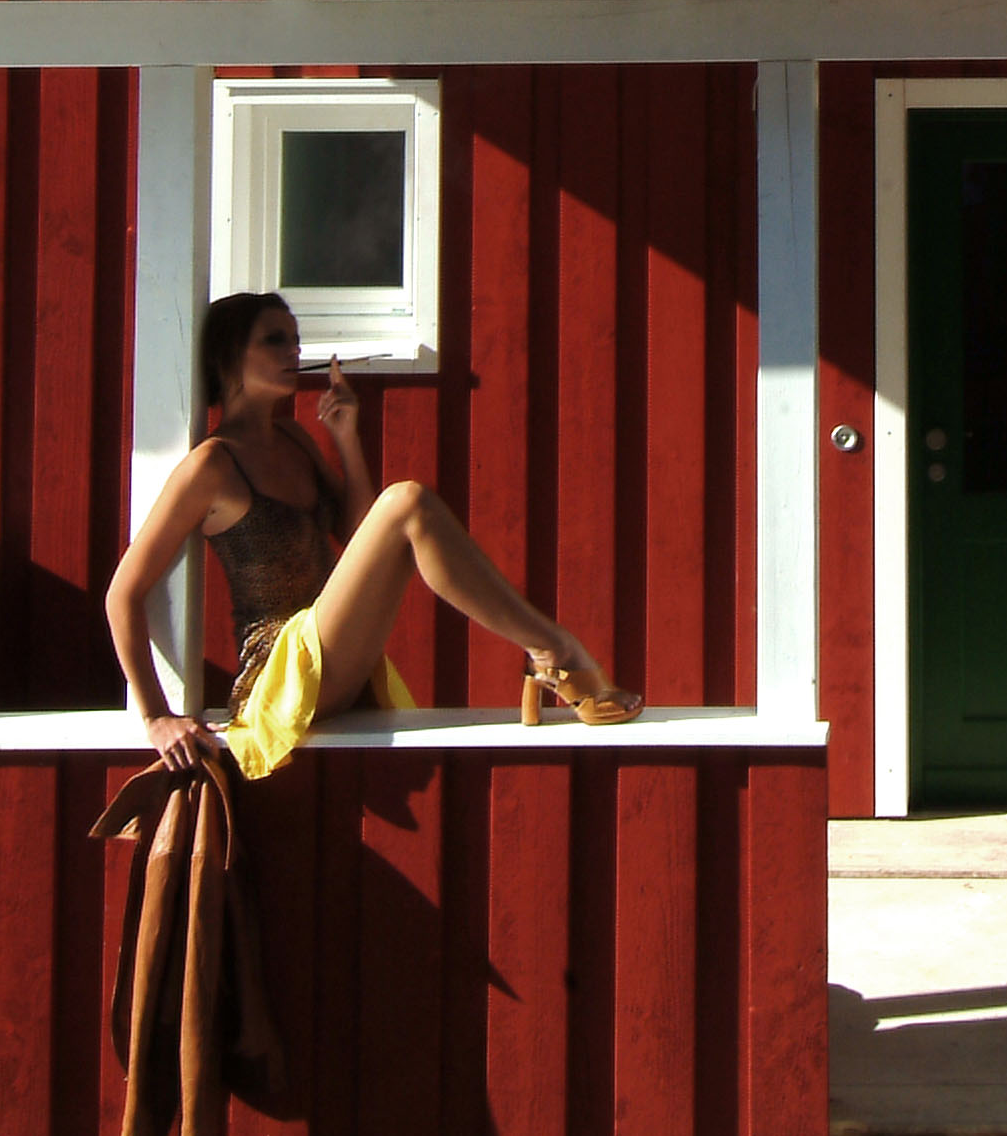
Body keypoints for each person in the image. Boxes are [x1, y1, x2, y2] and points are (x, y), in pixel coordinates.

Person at [106, 291, 639, 777]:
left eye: (296, 339)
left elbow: (360, 536)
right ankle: (554, 651)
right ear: (228, 357)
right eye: (275, 340)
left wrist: (346, 439)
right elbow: (122, 594)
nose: (294, 351)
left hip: (332, 655)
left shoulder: (291, 437)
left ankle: (549, 651)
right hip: (277, 674)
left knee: (407, 508)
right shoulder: (212, 465)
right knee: (407, 502)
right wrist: (155, 716)